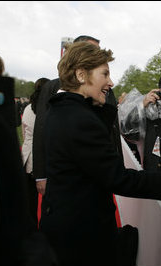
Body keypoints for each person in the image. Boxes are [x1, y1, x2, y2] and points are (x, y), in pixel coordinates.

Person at [39, 41, 161, 265]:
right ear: (82, 75)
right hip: (81, 238)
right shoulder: (80, 119)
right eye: (105, 74)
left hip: (67, 227)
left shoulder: (62, 109)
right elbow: (119, 179)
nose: (111, 83)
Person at [33, 35, 111, 197]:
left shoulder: (104, 88)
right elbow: (40, 128)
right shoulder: (52, 87)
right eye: (90, 50)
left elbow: (111, 131)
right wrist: (41, 174)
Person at [21, 77, 50, 228]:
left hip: (27, 157)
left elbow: (24, 134)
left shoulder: (27, 108)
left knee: (29, 202)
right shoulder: (49, 108)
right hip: (43, 157)